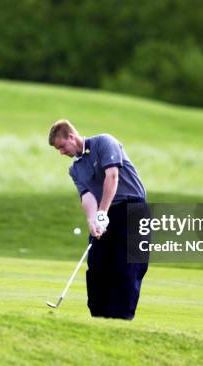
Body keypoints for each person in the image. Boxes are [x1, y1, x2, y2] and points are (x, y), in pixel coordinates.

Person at [48, 119, 149, 320]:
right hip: (104, 213)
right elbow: (87, 197)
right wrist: (93, 220)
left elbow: (112, 176)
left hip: (132, 209)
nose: (61, 152)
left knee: (126, 266)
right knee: (97, 265)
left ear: (71, 136)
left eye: (61, 146)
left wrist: (102, 212)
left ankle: (122, 318)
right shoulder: (75, 169)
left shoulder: (104, 142)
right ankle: (99, 317)